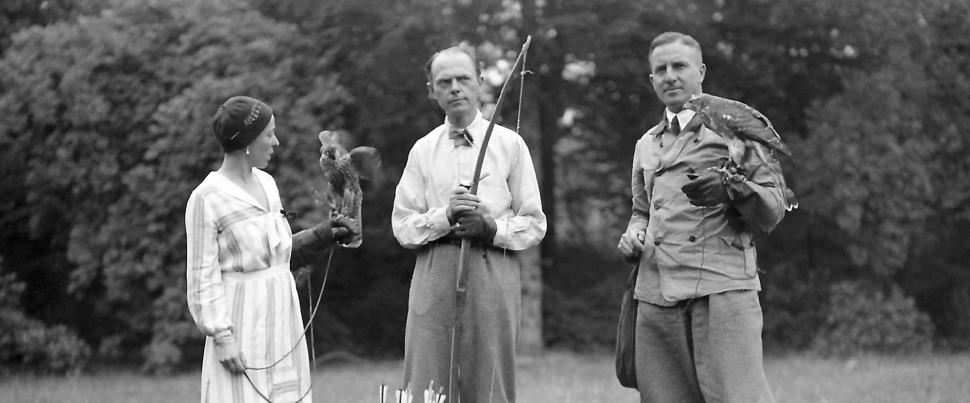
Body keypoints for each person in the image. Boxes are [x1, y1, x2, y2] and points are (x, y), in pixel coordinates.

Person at [617, 32, 785, 403]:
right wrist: (633, 235)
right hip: (657, 295)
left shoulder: (734, 128)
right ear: (652, 79)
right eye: (661, 69)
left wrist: (734, 189)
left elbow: (773, 209)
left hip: (721, 291)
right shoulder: (646, 143)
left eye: (679, 66)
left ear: (701, 72)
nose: (670, 76)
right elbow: (641, 211)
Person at [391, 46, 546, 403]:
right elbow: (403, 226)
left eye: (463, 79)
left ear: (480, 82)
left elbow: (534, 223)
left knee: (489, 380)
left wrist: (491, 228)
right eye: (444, 82)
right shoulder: (423, 150)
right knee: (426, 381)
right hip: (435, 270)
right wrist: (444, 217)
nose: (455, 88)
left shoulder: (509, 144)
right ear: (432, 91)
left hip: (492, 269)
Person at [186, 95, 356, 402]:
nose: (275, 142)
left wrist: (324, 234)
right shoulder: (206, 197)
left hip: (282, 314)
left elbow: (280, 253)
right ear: (247, 140)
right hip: (241, 320)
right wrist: (222, 337)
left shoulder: (267, 183)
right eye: (269, 134)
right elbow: (202, 278)